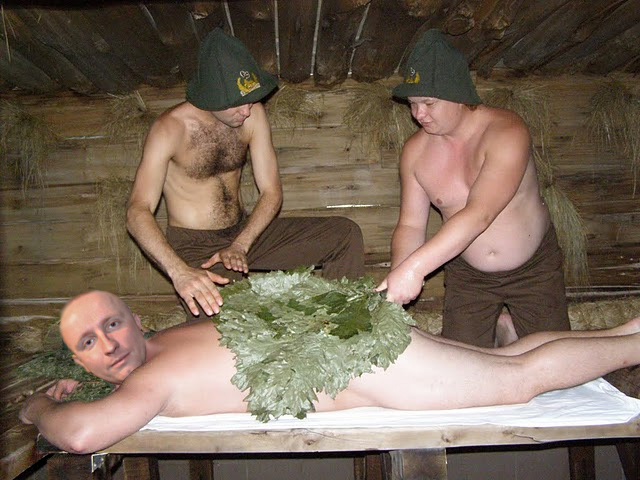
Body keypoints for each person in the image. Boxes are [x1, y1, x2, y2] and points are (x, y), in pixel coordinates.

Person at [19, 290, 640, 454]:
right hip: (352, 334)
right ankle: (625, 333)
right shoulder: (172, 339)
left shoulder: (152, 381)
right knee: (506, 361)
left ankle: (633, 344)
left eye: (112, 325)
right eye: (89, 342)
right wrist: (87, 386)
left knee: (516, 381)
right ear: (79, 360)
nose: (108, 343)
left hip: (359, 358)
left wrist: (37, 408)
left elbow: (81, 435)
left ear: (135, 320)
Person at [126, 28, 364, 321]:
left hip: (245, 233)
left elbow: (271, 192)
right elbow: (137, 211)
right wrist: (180, 272)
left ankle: (343, 325)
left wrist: (240, 244)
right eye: (238, 103)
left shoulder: (253, 114)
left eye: (251, 99)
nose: (247, 110)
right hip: (196, 248)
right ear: (211, 98)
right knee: (223, 334)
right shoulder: (170, 129)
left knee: (344, 234)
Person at [376, 30, 569, 347]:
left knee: (553, 359)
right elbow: (410, 225)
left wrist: (416, 269)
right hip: (468, 275)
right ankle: (502, 333)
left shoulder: (507, 131)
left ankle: (512, 331)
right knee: (463, 362)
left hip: (533, 268)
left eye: (428, 103)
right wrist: (398, 277)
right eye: (412, 104)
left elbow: (481, 213)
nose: (418, 114)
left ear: (458, 95)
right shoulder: (415, 152)